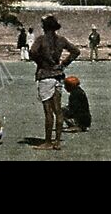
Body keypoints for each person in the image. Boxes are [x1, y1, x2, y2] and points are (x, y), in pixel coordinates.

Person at [29, 14, 79, 150]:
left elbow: (32, 52)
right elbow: (75, 51)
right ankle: (57, 141)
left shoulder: (41, 40)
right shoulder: (61, 40)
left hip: (45, 75)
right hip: (58, 76)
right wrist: (63, 64)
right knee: (58, 110)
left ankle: (47, 141)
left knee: (48, 111)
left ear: (44, 27)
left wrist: (42, 62)